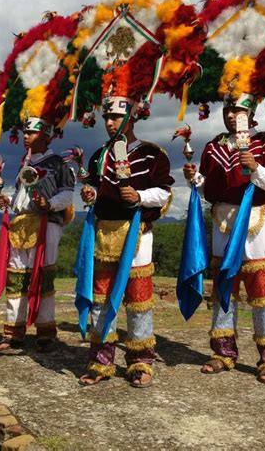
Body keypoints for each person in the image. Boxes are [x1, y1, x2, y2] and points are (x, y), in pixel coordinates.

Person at [183, 94, 265, 383]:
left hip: (255, 218)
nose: (230, 114)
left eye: (238, 110)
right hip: (222, 220)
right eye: (228, 109)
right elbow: (209, 192)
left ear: (250, 112)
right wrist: (195, 180)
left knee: (261, 287)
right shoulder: (213, 146)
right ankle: (223, 351)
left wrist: (256, 167)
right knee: (223, 286)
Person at [78, 96, 174, 388]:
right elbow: (95, 186)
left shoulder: (151, 154)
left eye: (116, 118)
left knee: (138, 300)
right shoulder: (99, 155)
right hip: (102, 233)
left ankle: (140, 360)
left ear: (131, 118)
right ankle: (101, 360)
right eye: (106, 118)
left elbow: (165, 193)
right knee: (100, 299)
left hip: (137, 233)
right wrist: (89, 195)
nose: (109, 123)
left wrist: (140, 197)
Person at [0, 116, 75, 352]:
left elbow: (68, 195)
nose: (25, 137)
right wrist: (6, 200)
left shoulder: (58, 162)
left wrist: (48, 204)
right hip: (22, 223)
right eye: (24, 133)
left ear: (46, 136)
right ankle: (13, 331)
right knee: (17, 278)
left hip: (46, 223)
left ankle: (45, 332)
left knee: (43, 276)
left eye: (31, 133)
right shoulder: (23, 163)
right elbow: (21, 198)